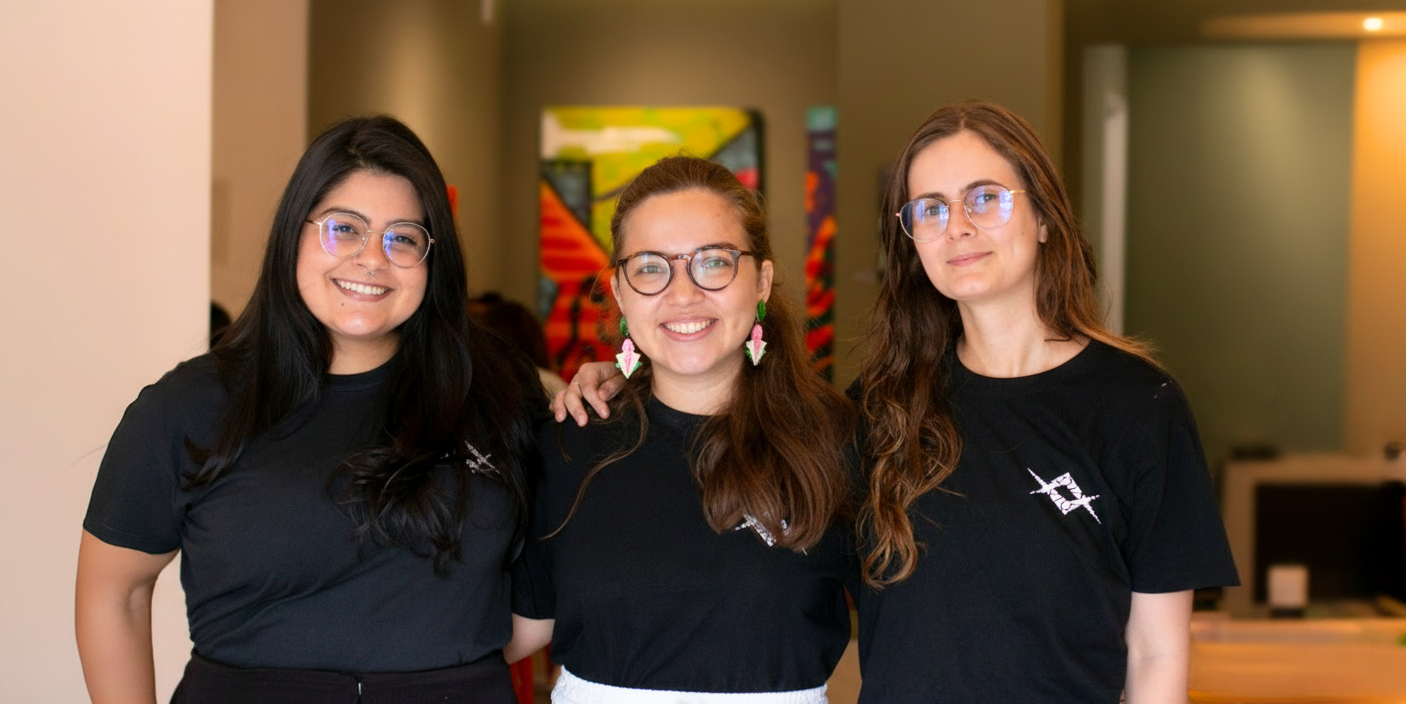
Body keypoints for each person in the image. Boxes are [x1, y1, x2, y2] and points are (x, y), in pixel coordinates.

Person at [555, 101, 1237, 703]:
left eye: (986, 198)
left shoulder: (1137, 405)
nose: (958, 228)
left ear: (1044, 218)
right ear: (912, 241)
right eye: (931, 210)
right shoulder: (877, 411)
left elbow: (1156, 652)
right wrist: (620, 377)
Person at [76, 116, 542, 704]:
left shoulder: (498, 392)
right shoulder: (189, 406)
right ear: (293, 234)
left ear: (433, 259)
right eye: (344, 229)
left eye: (403, 237)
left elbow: (551, 579)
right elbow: (115, 593)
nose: (373, 258)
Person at [509, 155, 858, 703]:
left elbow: (922, 633)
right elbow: (508, 631)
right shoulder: (568, 441)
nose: (683, 294)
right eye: (650, 267)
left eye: (713, 262)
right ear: (619, 292)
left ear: (761, 281)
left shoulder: (838, 443)